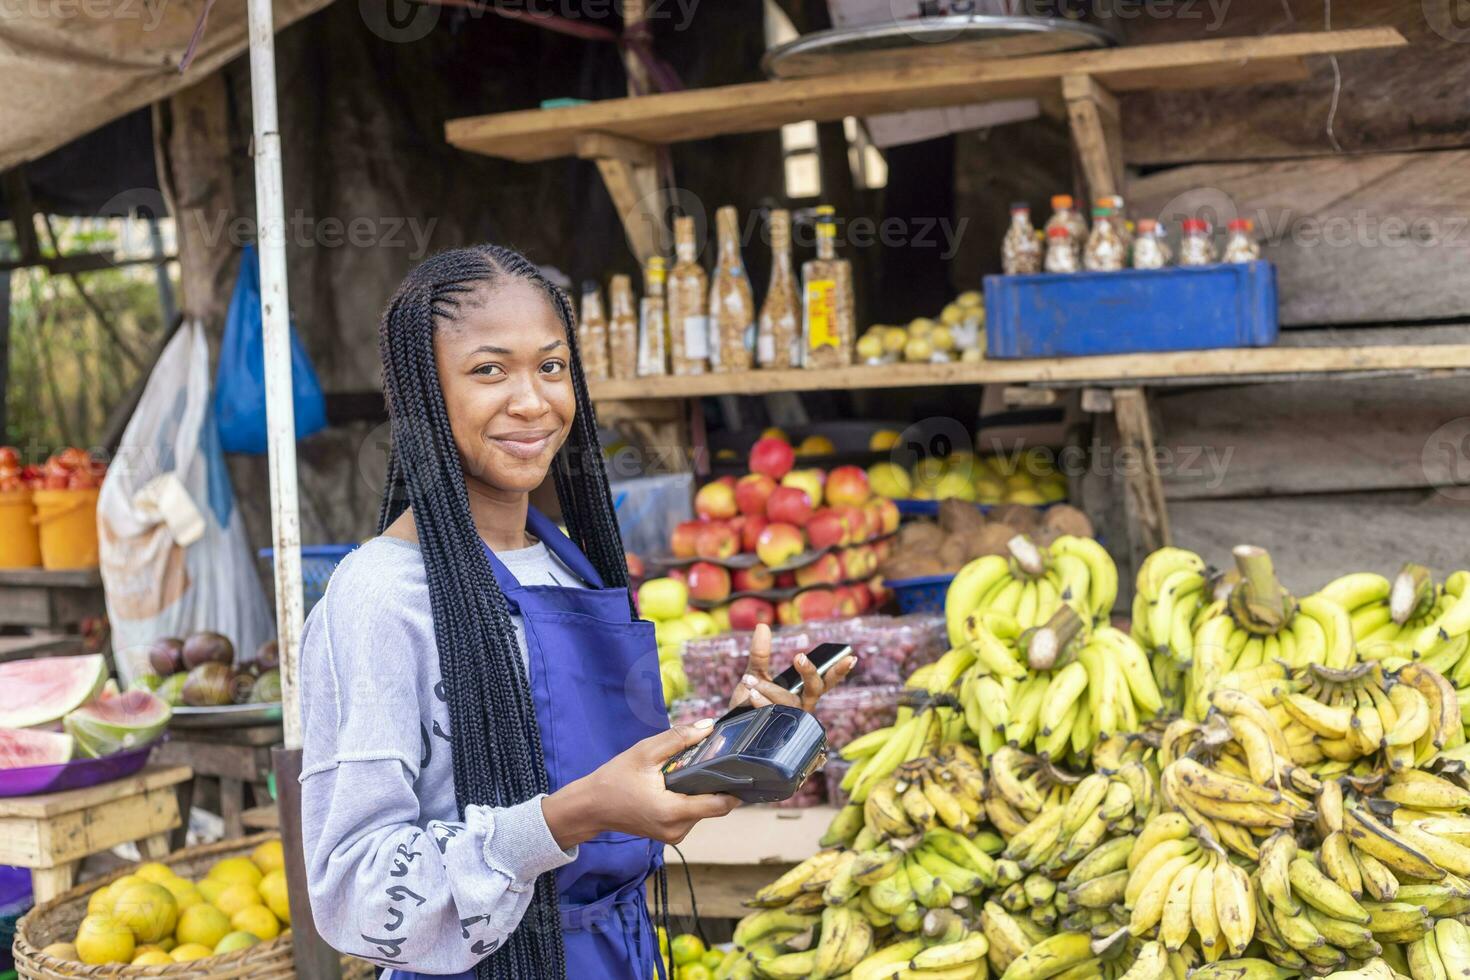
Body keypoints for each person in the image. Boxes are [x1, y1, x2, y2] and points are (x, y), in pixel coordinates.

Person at [298, 245, 854, 980]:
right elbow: (357, 896)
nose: (533, 401)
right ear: (422, 393)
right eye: (489, 370)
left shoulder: (566, 560)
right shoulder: (380, 595)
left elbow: (594, 770)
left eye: (551, 367)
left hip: (617, 954)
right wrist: (573, 816)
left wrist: (723, 742)